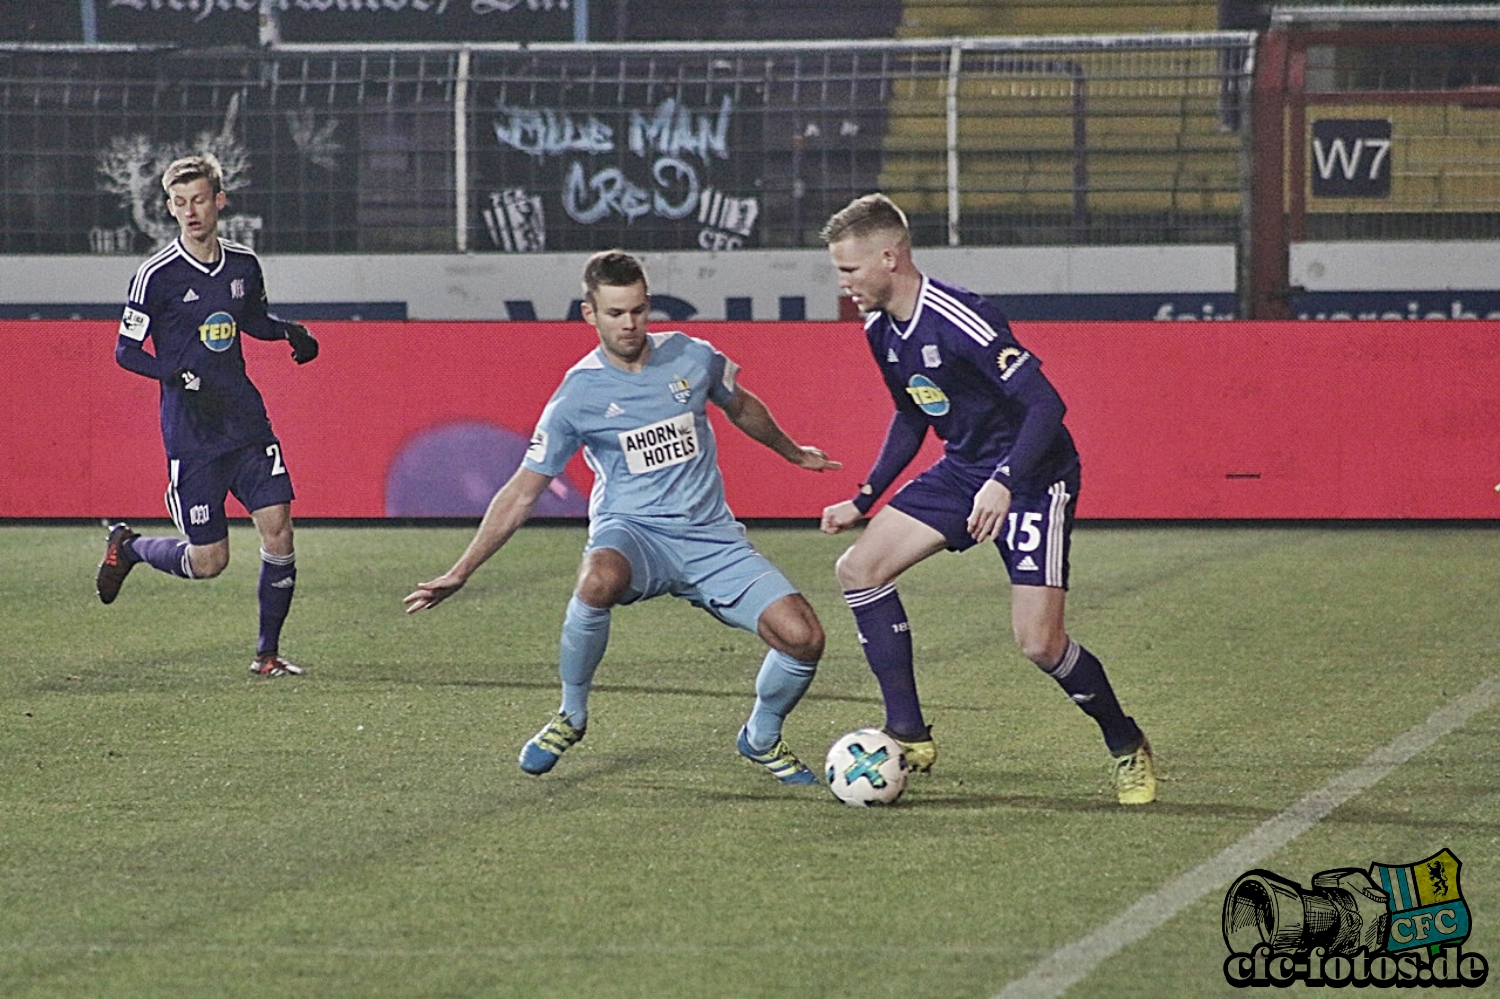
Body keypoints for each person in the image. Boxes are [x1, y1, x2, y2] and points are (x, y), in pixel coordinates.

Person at [403, 249, 841, 784]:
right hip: (635, 534)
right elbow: (521, 492)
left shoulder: (693, 357)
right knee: (597, 577)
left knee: (804, 638)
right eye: (615, 313)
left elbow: (741, 404)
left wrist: (793, 451)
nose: (629, 323)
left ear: (648, 305)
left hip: (710, 539)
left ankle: (761, 736)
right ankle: (571, 714)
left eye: (637, 310)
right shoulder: (577, 396)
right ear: (591, 315)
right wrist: (462, 569)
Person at [818, 193, 1157, 805]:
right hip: (965, 472)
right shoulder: (879, 330)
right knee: (859, 570)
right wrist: (865, 497)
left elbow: (1047, 407)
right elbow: (910, 414)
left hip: (1033, 477)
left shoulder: (960, 317)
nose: (843, 284)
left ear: (889, 257)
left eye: (849, 270)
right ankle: (908, 732)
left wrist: (1003, 480)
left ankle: (1126, 742)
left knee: (1039, 643)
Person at [96, 152, 321, 678]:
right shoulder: (155, 275)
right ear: (171, 209)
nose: (191, 211)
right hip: (193, 434)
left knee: (280, 530)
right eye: (179, 203)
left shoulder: (242, 263)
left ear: (219, 201)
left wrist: (290, 330)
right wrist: (172, 373)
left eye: (199, 200)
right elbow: (125, 351)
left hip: (245, 423)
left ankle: (266, 655)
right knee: (209, 562)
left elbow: (252, 321)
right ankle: (129, 547)